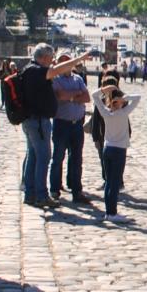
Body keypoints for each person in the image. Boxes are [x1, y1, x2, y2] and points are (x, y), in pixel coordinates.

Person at [16, 43, 96, 208]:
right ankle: (41, 195)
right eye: (51, 59)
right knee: (43, 158)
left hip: (31, 120)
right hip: (38, 121)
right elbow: (58, 70)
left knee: (33, 157)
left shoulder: (28, 69)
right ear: (44, 57)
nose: (52, 62)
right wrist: (79, 58)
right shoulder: (37, 71)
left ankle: (30, 194)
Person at [49, 53, 95, 206]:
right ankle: (55, 188)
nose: (66, 64)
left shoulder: (78, 78)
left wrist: (71, 97)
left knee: (76, 158)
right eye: (63, 62)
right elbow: (60, 96)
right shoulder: (55, 79)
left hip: (77, 124)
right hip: (62, 123)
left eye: (68, 62)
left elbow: (87, 98)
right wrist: (76, 95)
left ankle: (76, 189)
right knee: (58, 157)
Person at [94, 83, 139, 218]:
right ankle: (112, 212)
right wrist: (125, 98)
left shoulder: (106, 113)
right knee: (114, 183)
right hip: (119, 151)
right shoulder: (124, 112)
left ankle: (108, 211)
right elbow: (138, 98)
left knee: (109, 181)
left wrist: (103, 90)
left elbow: (94, 97)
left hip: (107, 149)